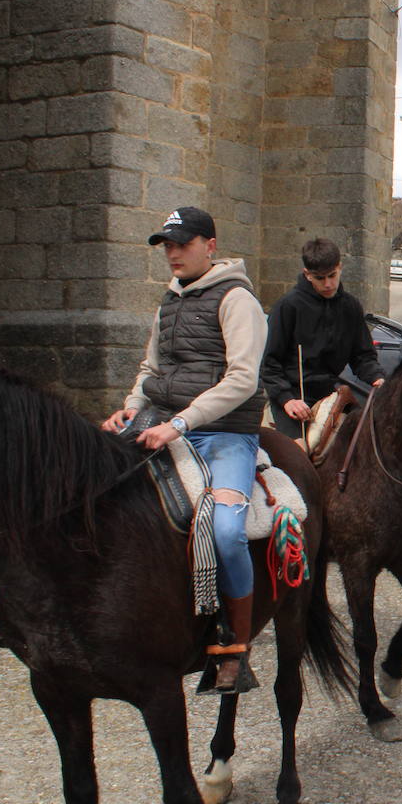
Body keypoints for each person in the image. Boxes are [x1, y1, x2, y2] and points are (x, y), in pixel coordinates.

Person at [102, 206, 269, 694]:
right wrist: (130, 409)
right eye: (168, 245)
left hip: (224, 434)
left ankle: (235, 645)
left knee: (227, 531)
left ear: (210, 245)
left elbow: (242, 379)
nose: (173, 253)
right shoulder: (166, 302)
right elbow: (148, 367)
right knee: (83, 485)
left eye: (184, 243)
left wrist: (180, 423)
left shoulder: (238, 300)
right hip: (160, 421)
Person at [260, 237, 385, 440]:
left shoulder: (351, 306)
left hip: (331, 393)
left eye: (332, 276)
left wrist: (377, 378)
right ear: (307, 274)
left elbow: (363, 357)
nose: (328, 284)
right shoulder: (288, 306)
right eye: (320, 278)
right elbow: (269, 364)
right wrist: (287, 400)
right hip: (292, 395)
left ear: (340, 267)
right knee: (297, 457)